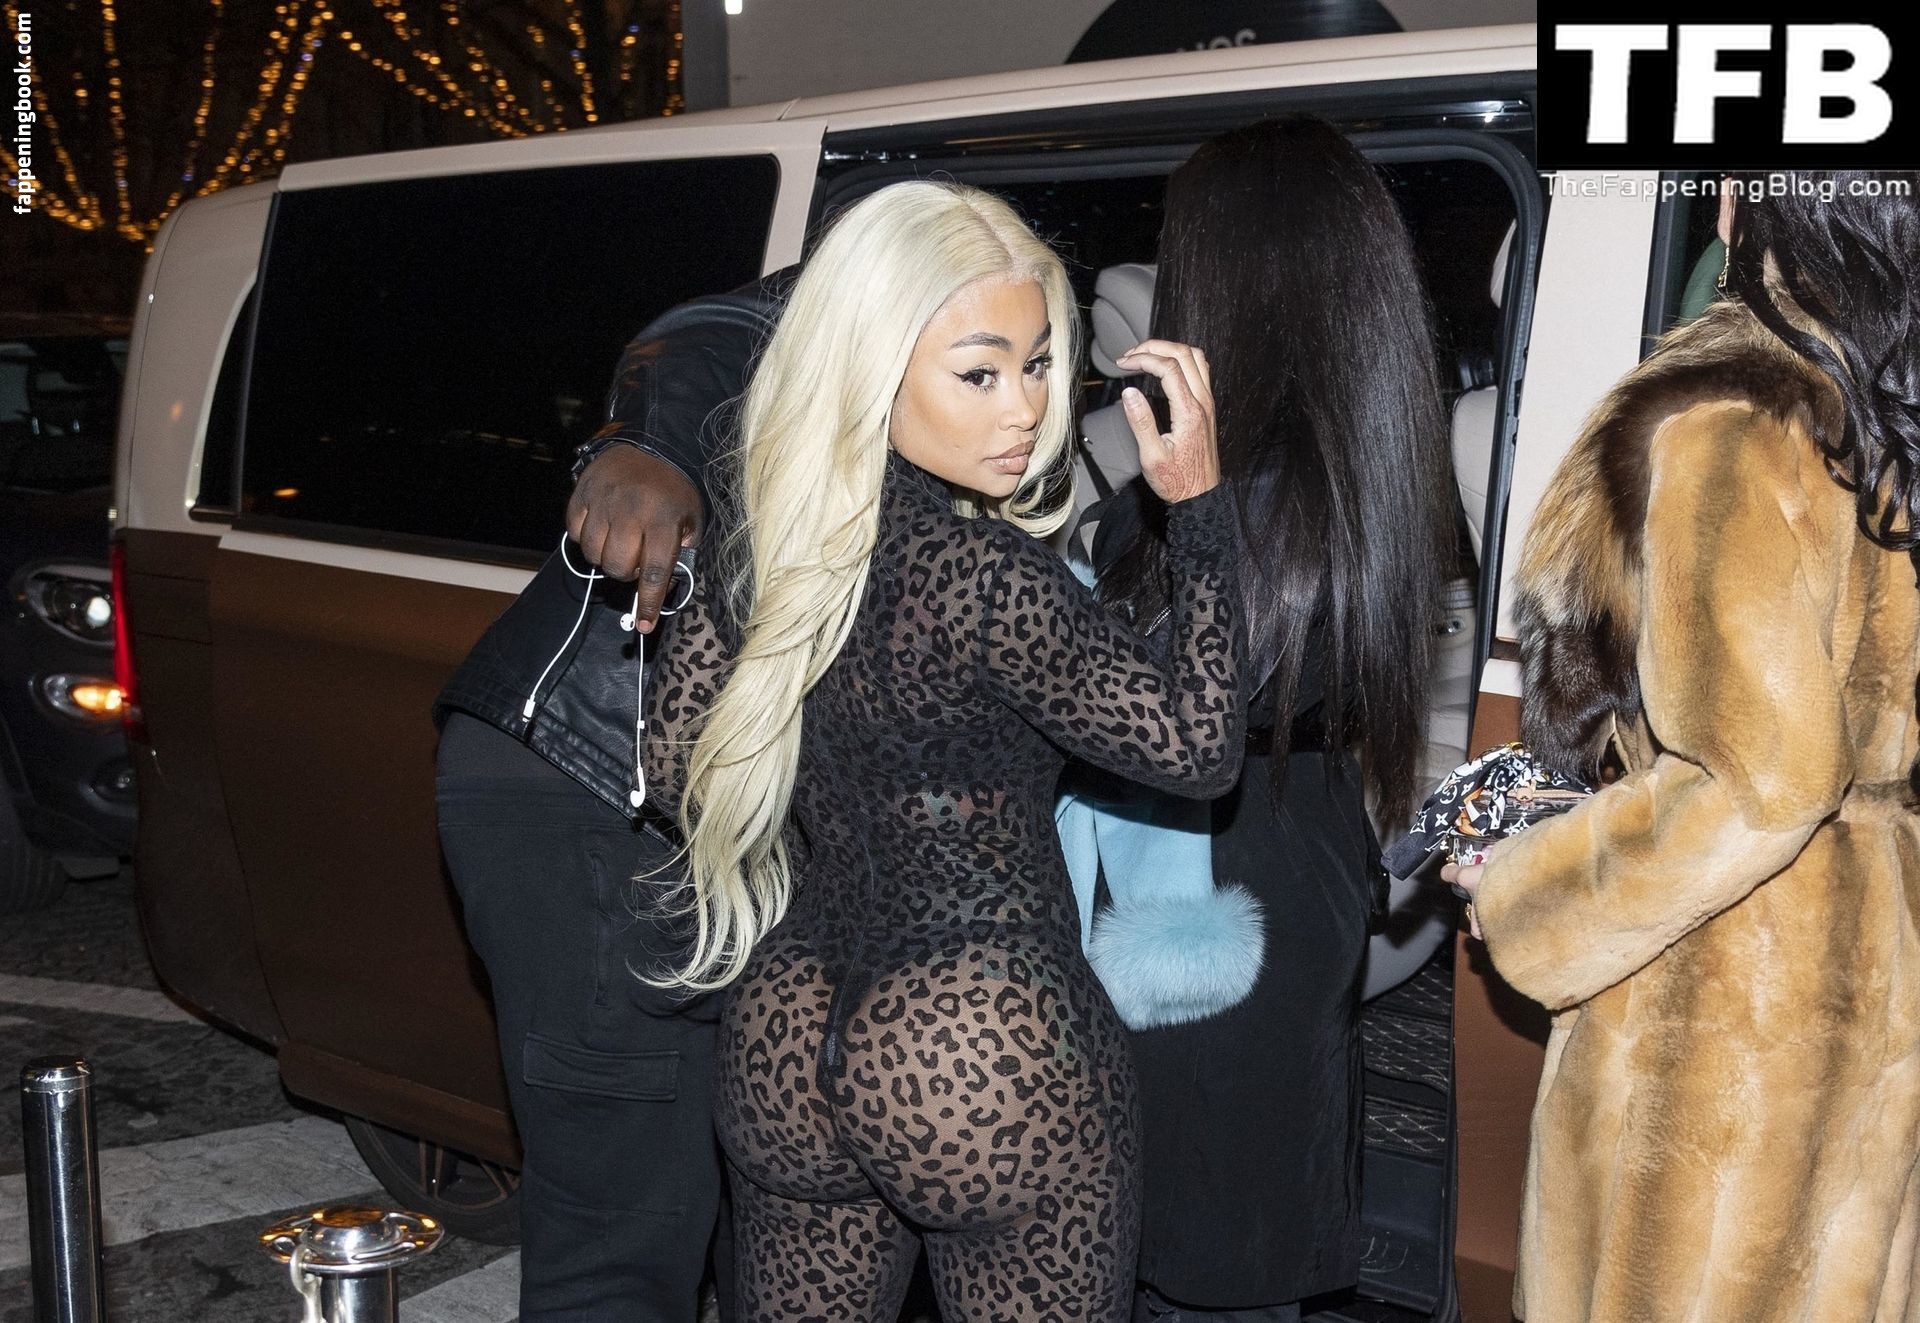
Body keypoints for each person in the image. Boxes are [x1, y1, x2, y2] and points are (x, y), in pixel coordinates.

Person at [638, 178, 1247, 1321]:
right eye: (980, 373)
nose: (1025, 409)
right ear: (873, 370)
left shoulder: (763, 551)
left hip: (788, 1031)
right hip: (980, 1043)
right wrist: (1201, 513)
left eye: (1040, 365)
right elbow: (1199, 746)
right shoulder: (985, 577)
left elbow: (675, 770)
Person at [1449, 175, 1920, 1320]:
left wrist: (1526, 888)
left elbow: (1757, 782)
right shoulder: (1891, 418)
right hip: (1883, 955)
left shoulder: (1731, 428)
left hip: (1729, 993)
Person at [1069, 116, 1453, 1321]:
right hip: (1294, 848)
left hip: (1210, 889)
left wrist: (1170, 512)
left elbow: (1179, 705)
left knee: (1201, 1259)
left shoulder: (1246, 489)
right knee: (1227, 1235)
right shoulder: (1365, 458)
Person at [432, 274, 787, 1322]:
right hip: (591, 787)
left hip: (718, 821)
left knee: (754, 1213)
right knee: (620, 1243)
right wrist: (653, 449)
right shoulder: (871, 300)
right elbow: (707, 332)